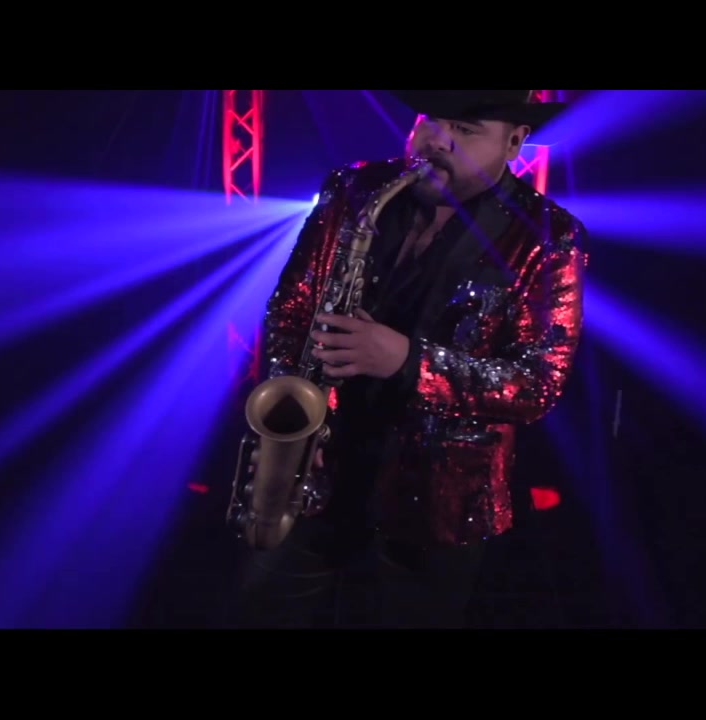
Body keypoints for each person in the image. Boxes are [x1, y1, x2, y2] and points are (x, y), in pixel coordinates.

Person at [229, 89, 588, 628]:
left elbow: (538, 382)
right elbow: (291, 308)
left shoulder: (549, 237)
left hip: (438, 507)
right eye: (430, 121)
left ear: (515, 142)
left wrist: (407, 361)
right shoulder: (354, 190)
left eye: (465, 130)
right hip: (317, 475)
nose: (437, 141)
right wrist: (293, 413)